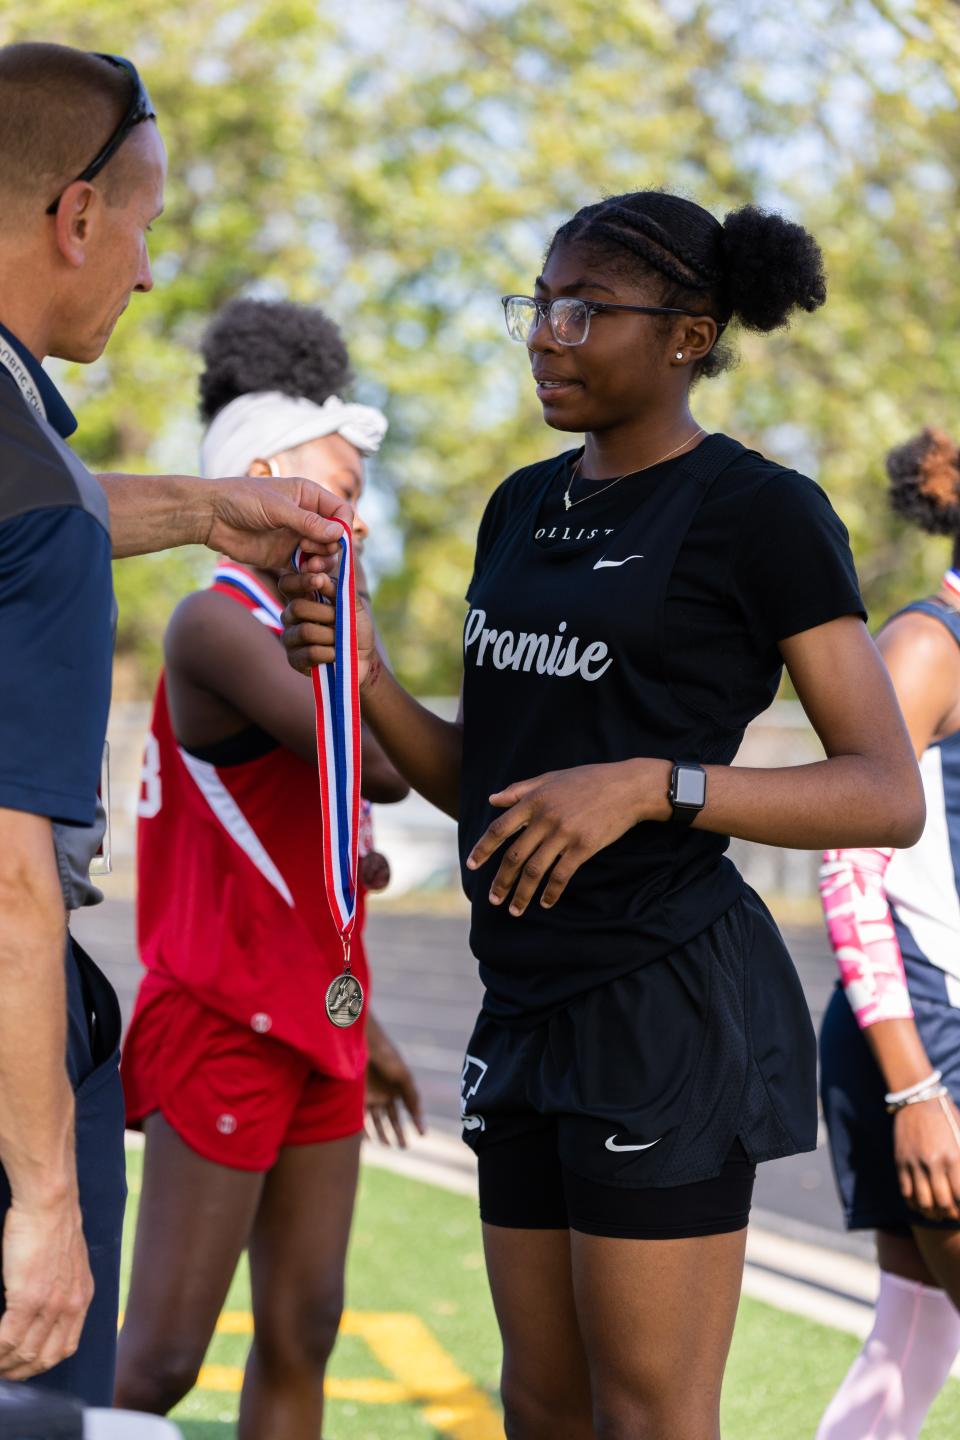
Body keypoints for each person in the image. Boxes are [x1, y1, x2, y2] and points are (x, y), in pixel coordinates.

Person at [282, 190, 925, 1440]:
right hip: (524, 998)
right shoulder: (519, 506)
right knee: (545, 1405)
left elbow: (885, 792)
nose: (546, 336)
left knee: (648, 1418)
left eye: (584, 311)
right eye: (538, 305)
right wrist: (363, 677)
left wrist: (656, 784)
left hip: (666, 1007)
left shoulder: (760, 512)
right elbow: (491, 782)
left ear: (688, 333)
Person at [0, 43, 350, 1406]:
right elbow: (13, 884)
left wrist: (210, 510)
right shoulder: (31, 489)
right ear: (76, 217)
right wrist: (39, 1201)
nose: (148, 271)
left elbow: (61, 505)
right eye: (140, 227)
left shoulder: (33, 466)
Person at [114, 299, 421, 1436]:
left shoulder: (302, 627)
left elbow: (322, 852)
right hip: (223, 1018)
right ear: (263, 476)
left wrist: (369, 1029)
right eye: (341, 486)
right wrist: (349, 620)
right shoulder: (213, 623)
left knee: (305, 1330)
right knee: (159, 1362)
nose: (359, 512)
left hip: (316, 1021)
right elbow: (378, 763)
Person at [817, 428, 960, 1440]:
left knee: (911, 1345)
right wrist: (915, 1090)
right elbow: (845, 858)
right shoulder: (925, 646)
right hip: (917, 1035)